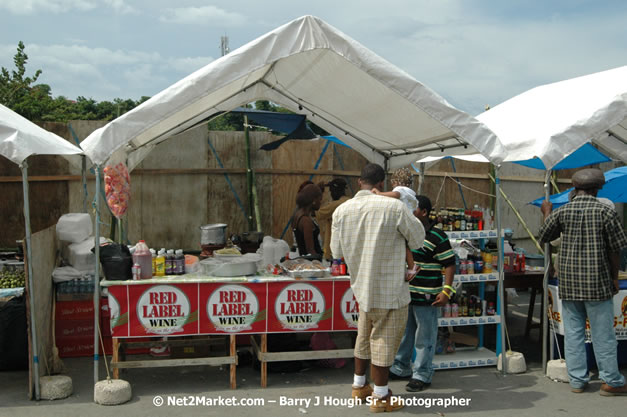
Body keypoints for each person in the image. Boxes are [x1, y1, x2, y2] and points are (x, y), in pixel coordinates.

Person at [331, 163, 425, 412]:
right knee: (384, 340)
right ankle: (381, 397)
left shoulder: (341, 211)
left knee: (364, 336)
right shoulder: (394, 207)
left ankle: (359, 385)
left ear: (359, 182)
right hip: (390, 288)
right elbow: (418, 239)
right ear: (381, 184)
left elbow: (336, 252)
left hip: (361, 287)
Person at [538, 168, 627, 396]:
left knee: (574, 333)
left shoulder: (563, 211)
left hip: (568, 283)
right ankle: (611, 382)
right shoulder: (606, 212)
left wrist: (547, 212)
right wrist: (615, 277)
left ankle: (577, 380)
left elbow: (545, 235)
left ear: (575, 189)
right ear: (598, 188)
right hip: (598, 283)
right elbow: (616, 249)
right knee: (603, 335)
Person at [389, 195, 456, 392]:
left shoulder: (437, 236)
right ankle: (401, 367)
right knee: (405, 334)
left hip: (428, 297)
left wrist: (447, 291)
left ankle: (422, 374)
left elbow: (450, 264)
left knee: (425, 337)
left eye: (413, 209)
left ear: (424, 212)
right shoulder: (406, 233)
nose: (408, 212)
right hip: (407, 295)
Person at [373, 167, 419, 274]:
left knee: (403, 245)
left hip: (401, 223)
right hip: (409, 222)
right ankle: (411, 266)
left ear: (395, 182)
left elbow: (396, 195)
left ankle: (412, 267)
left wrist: (379, 194)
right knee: (405, 245)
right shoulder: (411, 194)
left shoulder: (400, 190)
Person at [317, 178, 351, 261]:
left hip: (334, 251)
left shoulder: (334, 205)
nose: (331, 194)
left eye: (331, 191)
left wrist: (318, 192)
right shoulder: (350, 201)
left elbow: (316, 213)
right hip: (348, 248)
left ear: (335, 191)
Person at [292, 183, 323, 259]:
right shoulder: (306, 221)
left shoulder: (298, 215)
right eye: (319, 199)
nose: (320, 203)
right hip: (311, 263)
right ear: (314, 200)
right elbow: (310, 250)